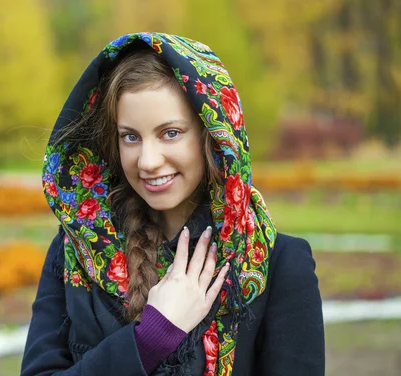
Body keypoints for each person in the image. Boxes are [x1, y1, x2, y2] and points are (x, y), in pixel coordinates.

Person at [21, 33, 325, 376]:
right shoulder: (75, 252)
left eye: (170, 133)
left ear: (211, 135)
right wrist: (152, 338)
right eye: (130, 137)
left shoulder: (280, 264)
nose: (148, 161)